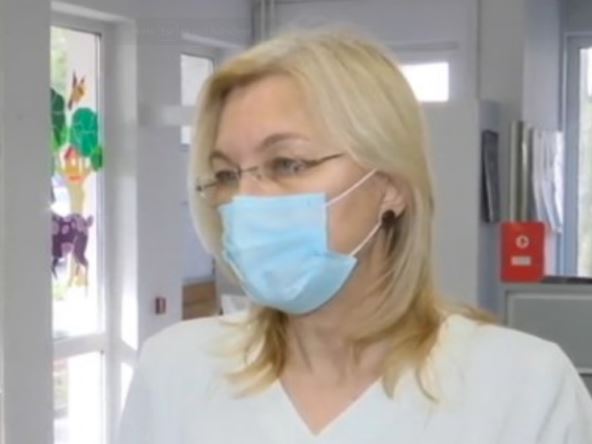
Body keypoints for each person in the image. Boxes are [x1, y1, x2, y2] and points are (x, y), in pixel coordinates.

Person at [116, 29, 592, 443]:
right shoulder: (176, 370)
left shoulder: (524, 389)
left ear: (390, 185)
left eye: (288, 164)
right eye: (226, 175)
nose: (246, 200)